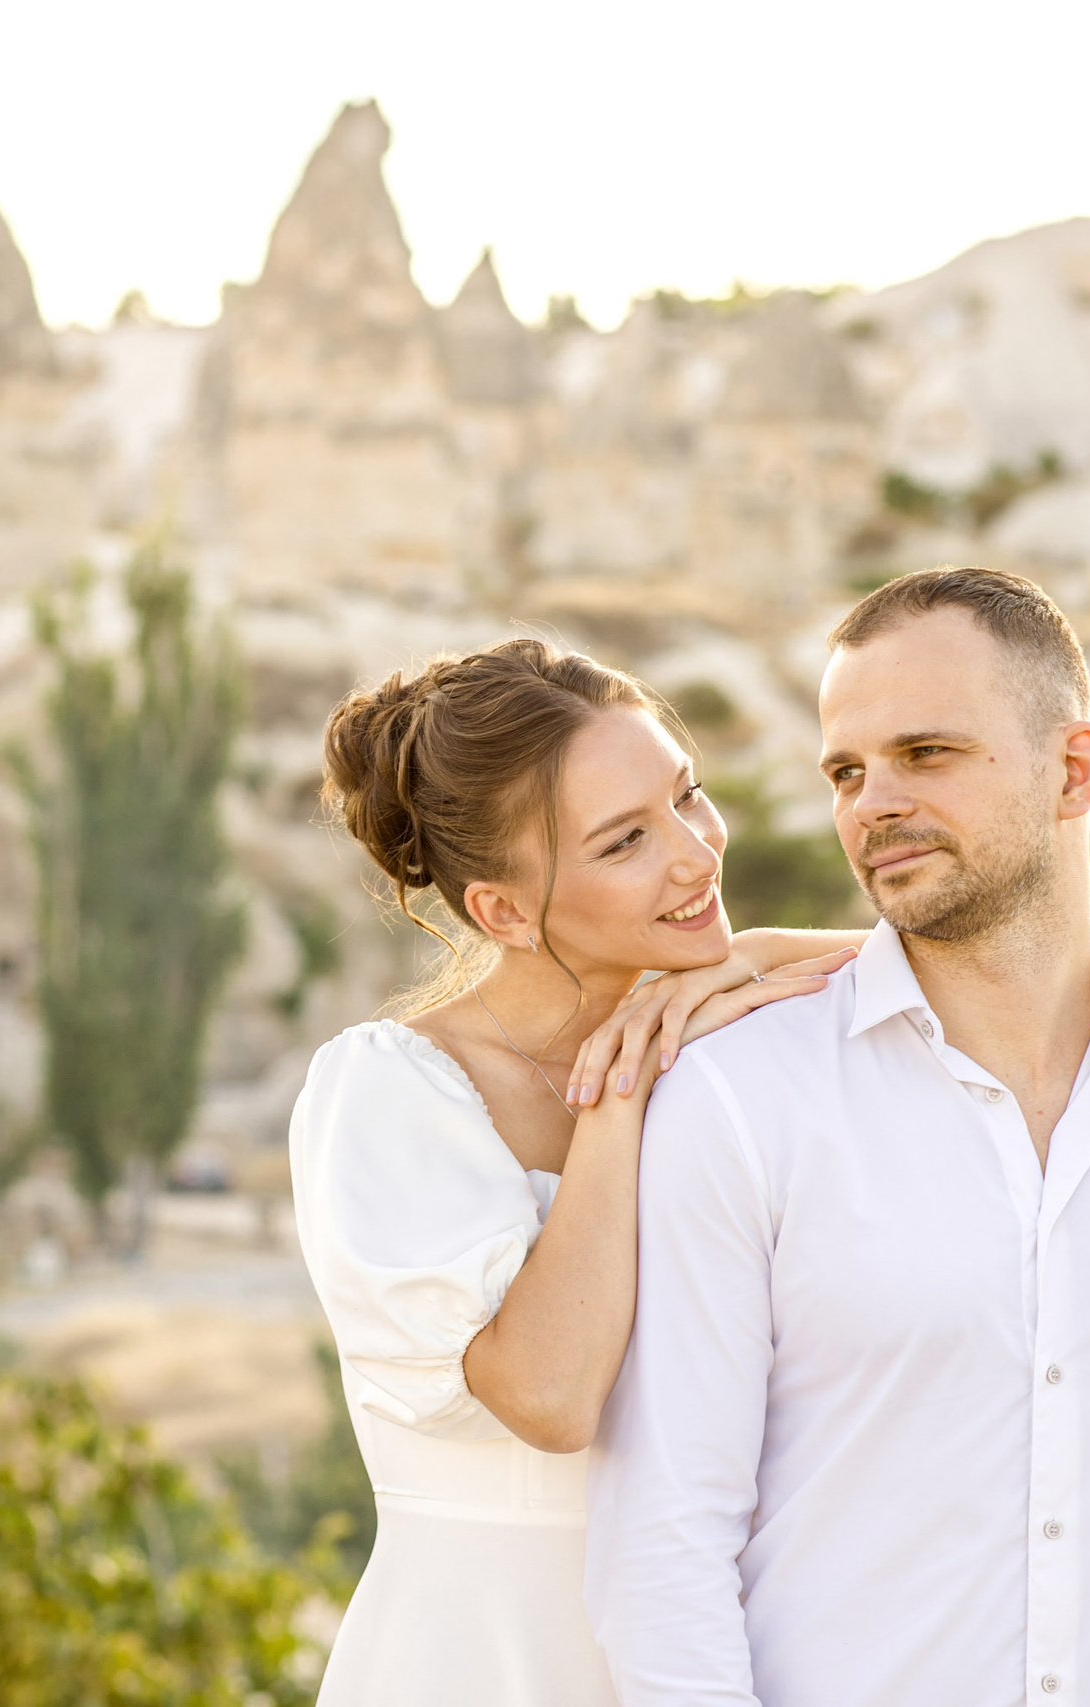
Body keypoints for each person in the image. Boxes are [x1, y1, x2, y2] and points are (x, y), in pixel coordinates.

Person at [586, 565, 1090, 1705]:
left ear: (1075, 771)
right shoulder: (739, 1099)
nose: (871, 803)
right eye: (846, 771)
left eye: (925, 753)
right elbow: (663, 1542)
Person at [293, 638, 864, 1707]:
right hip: (485, 1662)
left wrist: (748, 955)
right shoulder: (389, 1093)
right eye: (625, 841)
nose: (695, 854)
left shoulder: (712, 1026)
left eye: (686, 796)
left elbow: (964, 979)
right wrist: (619, 1094)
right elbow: (551, 1398)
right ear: (503, 912)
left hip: (715, 1648)